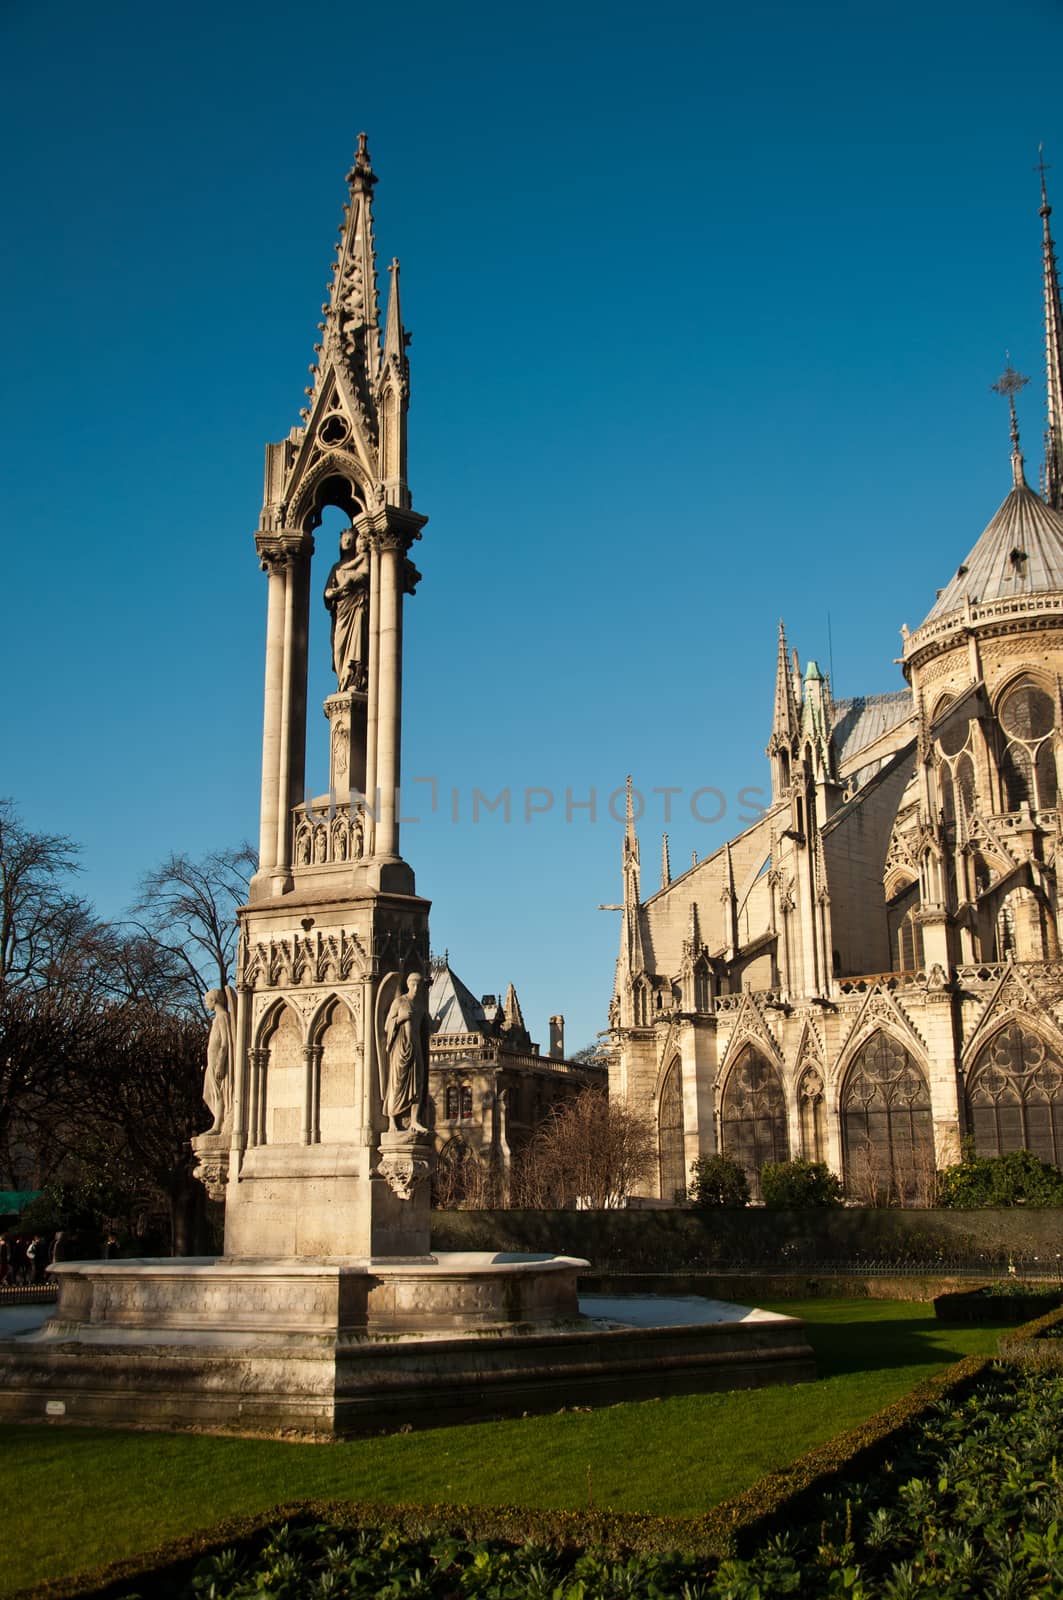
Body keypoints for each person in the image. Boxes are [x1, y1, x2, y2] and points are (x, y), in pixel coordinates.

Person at [381, 973, 437, 1134]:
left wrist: (434, 1025)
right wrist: (401, 1018)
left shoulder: (420, 1006)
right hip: (401, 1048)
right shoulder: (400, 1002)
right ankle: (392, 1120)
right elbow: (387, 1025)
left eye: (419, 985)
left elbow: (428, 1028)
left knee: (418, 1084)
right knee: (397, 1085)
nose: (417, 988)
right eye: (413, 984)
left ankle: (414, 1120)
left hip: (416, 1048)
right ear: (408, 985)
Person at [323, 527, 370, 691]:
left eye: (350, 540)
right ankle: (343, 678)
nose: (347, 542)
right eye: (344, 540)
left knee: (357, 644)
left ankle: (355, 678)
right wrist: (330, 593)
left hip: (357, 607)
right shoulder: (338, 567)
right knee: (339, 650)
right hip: (341, 612)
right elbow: (328, 591)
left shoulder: (363, 561)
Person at [203, 986, 238, 1134]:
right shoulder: (218, 1017)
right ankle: (217, 1122)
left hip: (218, 1062)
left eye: (207, 1001)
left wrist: (220, 1064)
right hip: (213, 1061)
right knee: (208, 1093)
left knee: (218, 1094)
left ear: (213, 1000)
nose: (206, 1004)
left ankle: (218, 1125)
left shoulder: (223, 1016)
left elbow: (225, 1042)